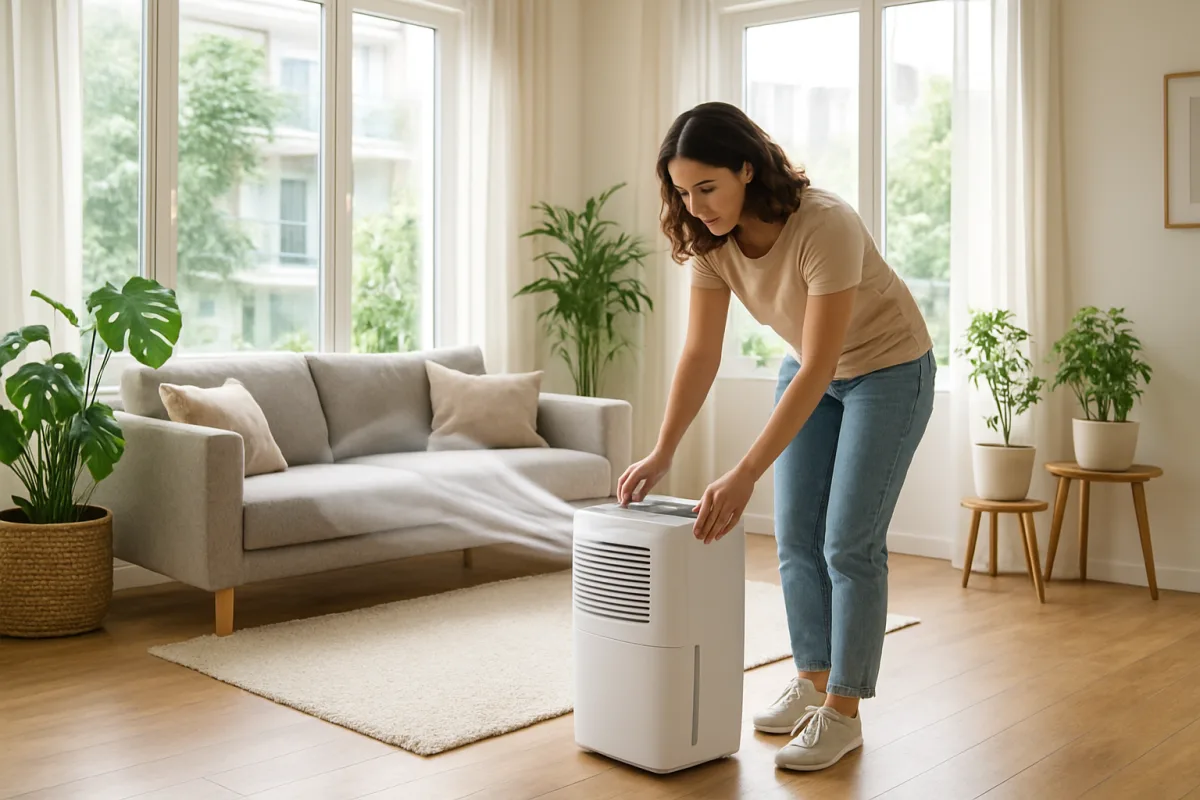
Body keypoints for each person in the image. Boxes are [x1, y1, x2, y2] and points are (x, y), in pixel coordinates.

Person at [616, 101, 935, 772]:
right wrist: (664, 448)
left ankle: (842, 712)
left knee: (848, 542)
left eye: (707, 187)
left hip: (887, 369)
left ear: (746, 170)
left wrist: (744, 470)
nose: (696, 206)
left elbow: (823, 364)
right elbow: (700, 352)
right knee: (794, 538)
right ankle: (812, 679)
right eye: (682, 192)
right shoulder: (711, 242)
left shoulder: (825, 224)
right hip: (811, 368)